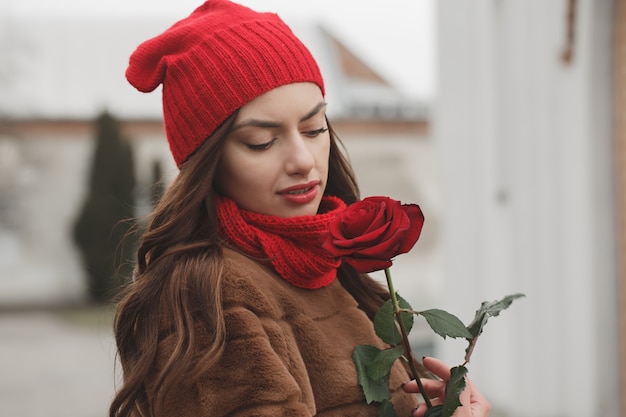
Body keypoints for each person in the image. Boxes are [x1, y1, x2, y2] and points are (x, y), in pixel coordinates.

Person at [109, 1, 491, 416]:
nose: (303, 160)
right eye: (261, 141)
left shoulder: (323, 264)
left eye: (314, 129)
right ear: (208, 161)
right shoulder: (211, 297)